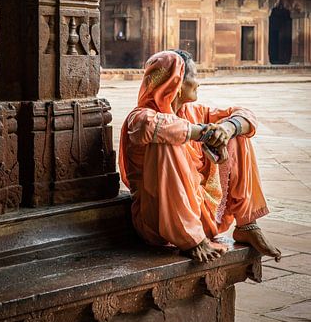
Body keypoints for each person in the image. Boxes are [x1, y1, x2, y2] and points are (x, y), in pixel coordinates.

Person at [119, 50, 281, 263]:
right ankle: (191, 239)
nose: (198, 83)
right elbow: (154, 127)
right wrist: (206, 133)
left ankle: (247, 225)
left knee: (237, 135)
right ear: (175, 83)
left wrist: (227, 129)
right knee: (164, 142)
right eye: (194, 76)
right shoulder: (139, 117)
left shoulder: (194, 112)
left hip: (201, 214)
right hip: (159, 222)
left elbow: (246, 115)